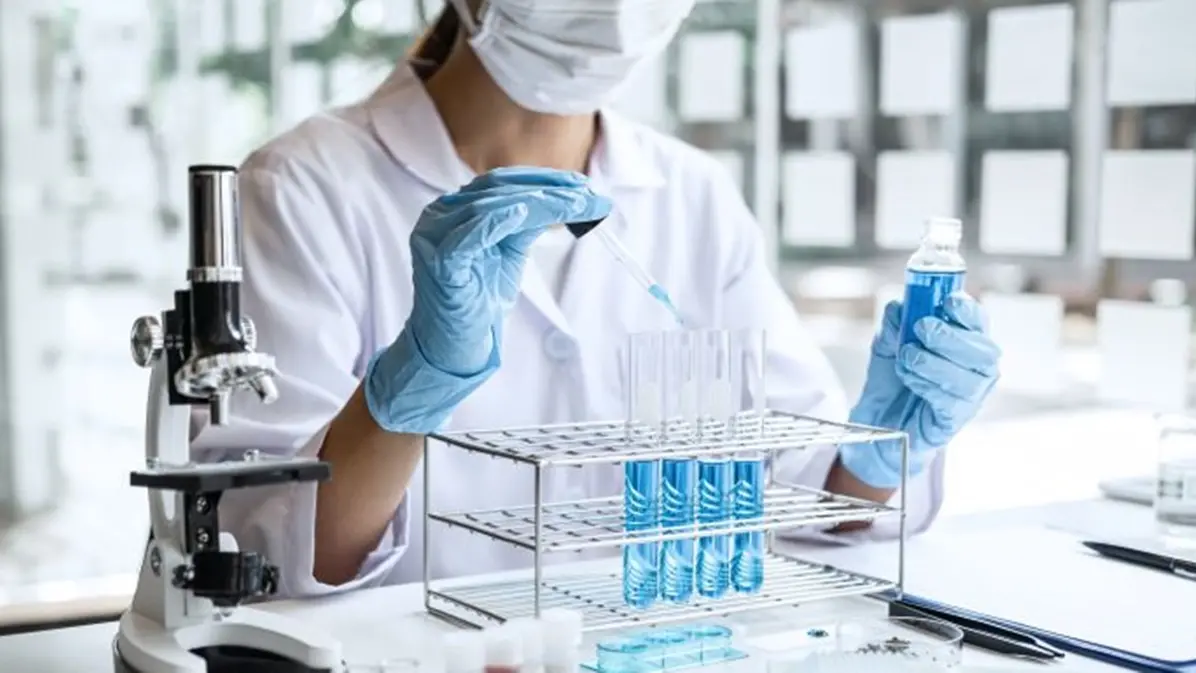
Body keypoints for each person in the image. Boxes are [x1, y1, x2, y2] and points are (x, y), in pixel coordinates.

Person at [191, 0, 1001, 600]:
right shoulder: (304, 184)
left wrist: (880, 449)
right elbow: (271, 549)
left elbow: (800, 488)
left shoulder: (693, 194)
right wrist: (410, 388)